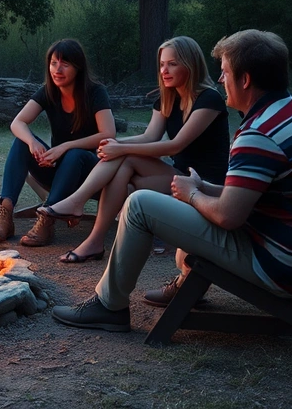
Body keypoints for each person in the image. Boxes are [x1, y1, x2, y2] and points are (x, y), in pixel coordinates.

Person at [51, 30, 292, 333]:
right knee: (154, 203)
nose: (221, 80)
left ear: (245, 79)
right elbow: (263, 193)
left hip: (278, 266)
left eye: (225, 72)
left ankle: (109, 306)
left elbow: (228, 215)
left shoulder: (260, 134)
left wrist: (193, 193)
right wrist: (203, 189)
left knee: (139, 205)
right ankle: (178, 284)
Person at [37, 36, 229, 264]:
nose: (164, 70)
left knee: (124, 160)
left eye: (172, 64)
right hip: (180, 174)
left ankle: (79, 206)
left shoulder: (209, 99)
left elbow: (176, 144)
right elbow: (150, 136)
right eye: (161, 64)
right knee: (124, 173)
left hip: (206, 182)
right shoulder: (167, 98)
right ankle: (94, 240)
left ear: (191, 64)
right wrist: (116, 144)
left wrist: (121, 148)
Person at [0, 39, 115, 246]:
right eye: (54, 63)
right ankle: (5, 215)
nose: (58, 69)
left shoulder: (95, 92)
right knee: (21, 142)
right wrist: (32, 143)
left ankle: (47, 220)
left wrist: (64, 146)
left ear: (78, 67)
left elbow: (108, 134)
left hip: (91, 175)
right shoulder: (49, 91)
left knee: (75, 154)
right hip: (58, 171)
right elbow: (18, 122)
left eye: (65, 64)